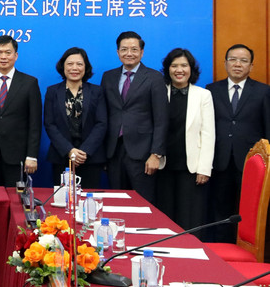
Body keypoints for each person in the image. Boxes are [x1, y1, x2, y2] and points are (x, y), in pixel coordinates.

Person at [206, 43, 270, 242]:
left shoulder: (263, 91)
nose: (237, 64)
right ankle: (221, 252)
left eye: (243, 61)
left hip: (251, 162)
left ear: (251, 66)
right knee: (220, 210)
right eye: (233, 59)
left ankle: (247, 251)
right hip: (220, 161)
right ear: (225, 63)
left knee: (249, 211)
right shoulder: (211, 90)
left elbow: (267, 128)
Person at [100, 30, 168, 204]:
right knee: (117, 201)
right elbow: (104, 115)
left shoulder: (154, 78)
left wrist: (156, 154)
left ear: (142, 52)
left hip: (143, 152)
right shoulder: (108, 77)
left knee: (143, 203)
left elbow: (161, 119)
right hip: (114, 151)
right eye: (124, 49)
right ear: (118, 52)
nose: (128, 53)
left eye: (133, 49)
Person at [154, 48, 214, 231]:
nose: (179, 70)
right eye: (174, 66)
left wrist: (204, 168)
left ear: (191, 69)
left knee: (190, 217)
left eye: (184, 65)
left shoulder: (203, 95)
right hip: (163, 164)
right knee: (164, 217)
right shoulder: (158, 92)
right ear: (168, 69)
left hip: (192, 167)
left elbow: (208, 133)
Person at [0, 35, 42, 187]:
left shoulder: (29, 83)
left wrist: (32, 156)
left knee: (16, 200)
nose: (3, 56)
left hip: (18, 155)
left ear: (15, 55)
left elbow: (35, 123)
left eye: (8, 52)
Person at [43, 47, 107, 190]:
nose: (74, 68)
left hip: (90, 157)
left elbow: (101, 123)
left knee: (89, 200)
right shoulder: (52, 91)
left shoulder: (97, 91)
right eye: (70, 64)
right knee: (63, 201)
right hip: (61, 156)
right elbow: (49, 124)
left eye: (79, 64)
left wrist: (84, 151)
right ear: (63, 67)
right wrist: (69, 150)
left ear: (86, 67)